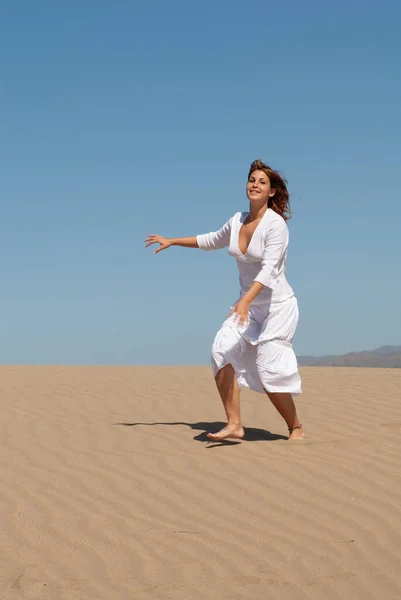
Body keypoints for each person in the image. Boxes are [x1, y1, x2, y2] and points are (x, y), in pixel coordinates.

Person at [144, 159, 304, 441]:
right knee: (220, 350)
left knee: (270, 370)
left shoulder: (276, 226)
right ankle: (235, 424)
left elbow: (268, 270)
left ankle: (295, 427)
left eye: (262, 182)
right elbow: (210, 240)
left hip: (277, 308)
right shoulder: (237, 220)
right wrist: (172, 240)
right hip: (247, 307)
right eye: (252, 180)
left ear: (271, 192)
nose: (255, 184)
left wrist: (245, 301)